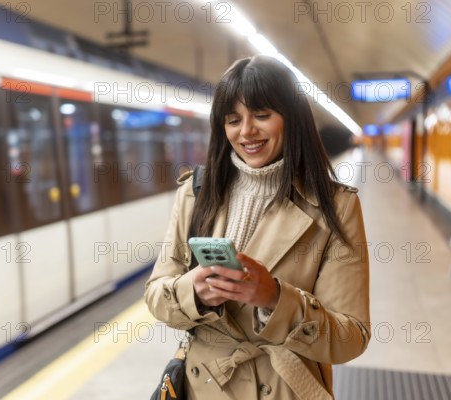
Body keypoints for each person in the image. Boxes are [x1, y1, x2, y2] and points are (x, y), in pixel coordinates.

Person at [145, 55, 370, 400]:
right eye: (233, 119)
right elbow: (156, 293)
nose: (246, 131)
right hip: (203, 386)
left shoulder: (336, 206)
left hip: (284, 388)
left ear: (292, 119)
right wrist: (195, 292)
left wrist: (276, 299)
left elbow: (350, 337)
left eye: (262, 116)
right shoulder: (195, 193)